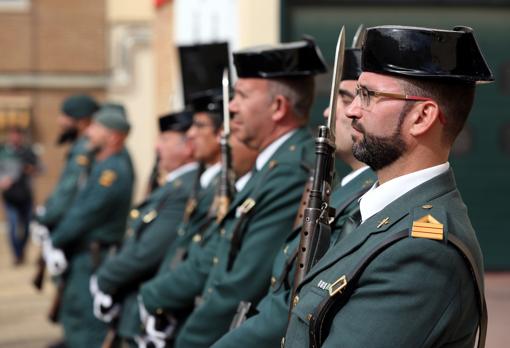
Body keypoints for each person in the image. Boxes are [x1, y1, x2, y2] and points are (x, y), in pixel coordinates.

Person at [284, 25, 493, 348]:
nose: (352, 110)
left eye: (368, 95)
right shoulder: (377, 211)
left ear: (421, 117)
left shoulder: (421, 254)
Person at [139, 39, 327, 348]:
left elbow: (243, 283)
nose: (231, 106)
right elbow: (217, 257)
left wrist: (188, 341)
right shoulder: (272, 167)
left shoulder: (292, 172)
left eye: (241, 96)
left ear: (278, 107)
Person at [212, 45, 376, 348]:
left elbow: (292, 300)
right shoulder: (348, 191)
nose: (329, 112)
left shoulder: (361, 199)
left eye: (346, 98)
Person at [91, 110, 198, 346]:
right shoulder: (174, 185)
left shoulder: (183, 189)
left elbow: (148, 251)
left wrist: (105, 278)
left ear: (188, 147)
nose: (157, 147)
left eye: (165, 140)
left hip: (148, 301)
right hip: (134, 300)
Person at [44, 106, 135, 348]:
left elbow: (84, 214)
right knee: (74, 321)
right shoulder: (103, 165)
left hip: (93, 258)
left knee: (87, 328)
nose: (89, 133)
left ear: (114, 137)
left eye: (97, 128)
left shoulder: (112, 172)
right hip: (84, 255)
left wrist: (55, 240)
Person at [33, 94, 99, 230]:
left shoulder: (84, 150)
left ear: (83, 122)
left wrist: (45, 218)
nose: (60, 121)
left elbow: (69, 192)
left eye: (65, 117)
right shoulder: (79, 147)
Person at [0, 127, 40, 264]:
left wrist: (32, 169)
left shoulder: (28, 152)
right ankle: (17, 255)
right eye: (13, 135)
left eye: (18, 135)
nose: (15, 138)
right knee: (12, 226)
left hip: (26, 196)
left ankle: (21, 250)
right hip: (10, 197)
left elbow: (40, 169)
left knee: (27, 228)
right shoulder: (3, 152)